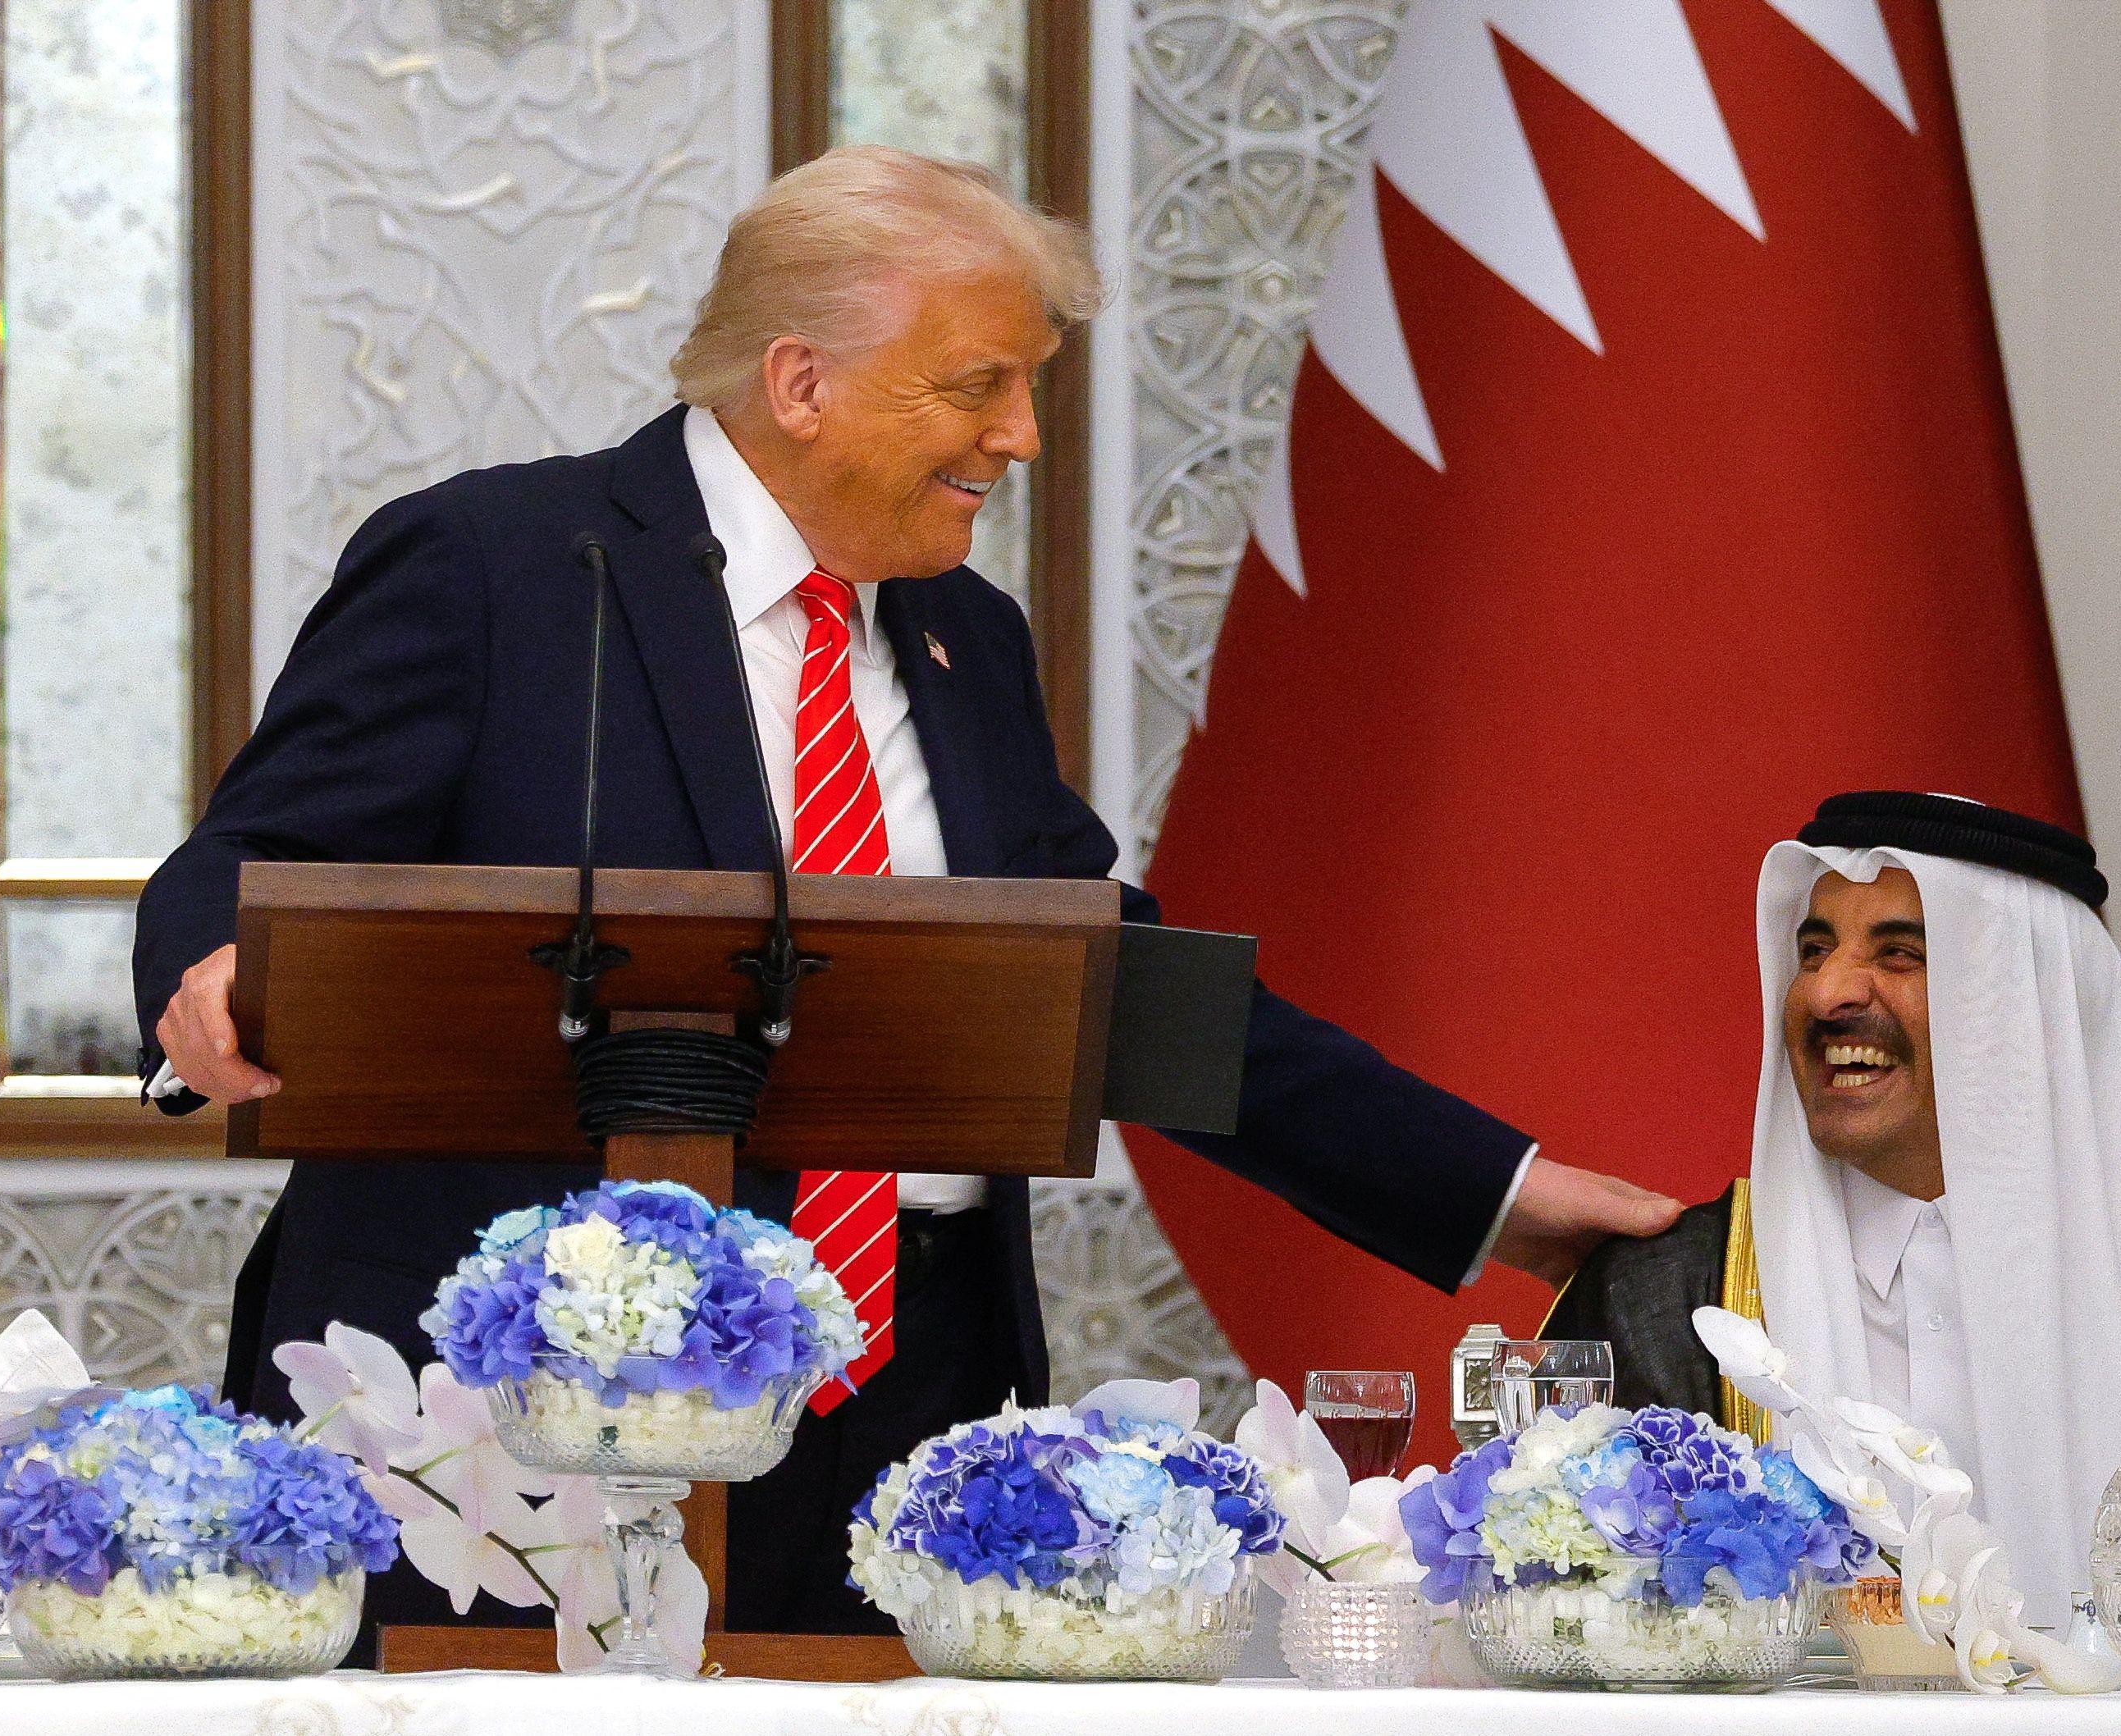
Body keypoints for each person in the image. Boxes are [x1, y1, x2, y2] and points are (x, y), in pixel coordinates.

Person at [132, 146, 1677, 1642]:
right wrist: (204, 970)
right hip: (547, 1389)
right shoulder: (503, 569)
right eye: (975, 385)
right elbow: (246, 860)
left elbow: (1116, 983)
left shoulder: (966, 638)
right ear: (799, 382)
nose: (1016, 437)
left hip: (912, 1394)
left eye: (1029, 389)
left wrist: (1498, 1193)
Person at [1547, 789, 2121, 1610]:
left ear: (2027, 1005)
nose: (1828, 995)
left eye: (1899, 954)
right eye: (1815, 949)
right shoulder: (1661, 1302)